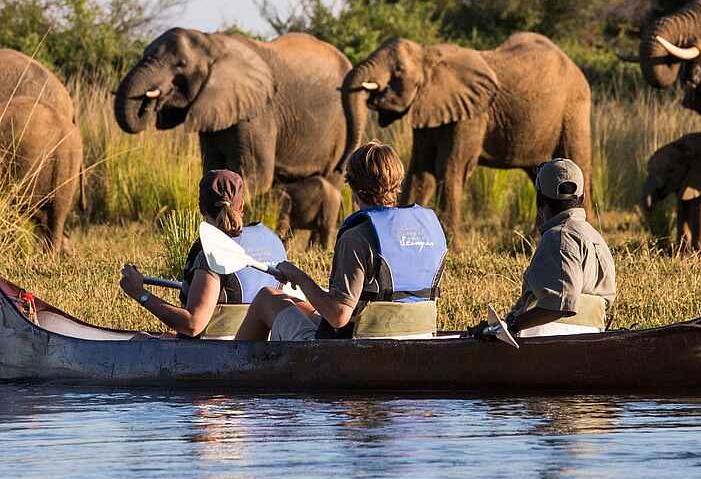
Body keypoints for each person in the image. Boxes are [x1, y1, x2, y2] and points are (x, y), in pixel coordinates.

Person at [234, 142, 446, 341]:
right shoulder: (430, 228)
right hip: (419, 338)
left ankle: (234, 371)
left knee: (268, 298)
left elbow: (339, 315)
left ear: (354, 187)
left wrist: (298, 276)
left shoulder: (358, 237)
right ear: (398, 183)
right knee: (298, 304)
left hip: (353, 353)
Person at [119, 169, 286, 338]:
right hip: (257, 350)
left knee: (140, 339)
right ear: (241, 205)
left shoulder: (211, 254)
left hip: (213, 355)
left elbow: (193, 324)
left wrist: (140, 294)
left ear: (201, 207)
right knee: (165, 337)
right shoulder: (272, 241)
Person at [476, 158, 615, 339]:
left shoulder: (559, 236)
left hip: (550, 341)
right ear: (582, 198)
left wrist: (511, 325)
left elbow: (561, 303)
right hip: (593, 337)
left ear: (539, 200)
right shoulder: (597, 238)